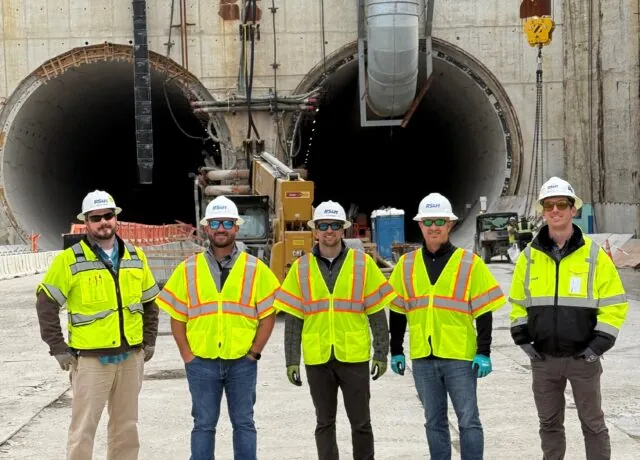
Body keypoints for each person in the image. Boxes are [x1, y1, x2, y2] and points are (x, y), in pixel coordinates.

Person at [509, 176, 629, 460]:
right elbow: (517, 303)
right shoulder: (528, 257)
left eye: (561, 203)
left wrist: (597, 347)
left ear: (573, 209)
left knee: (593, 425)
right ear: (542, 210)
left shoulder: (595, 256)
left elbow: (615, 303)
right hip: (544, 360)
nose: (555, 210)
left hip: (583, 359)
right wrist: (523, 339)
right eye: (548, 205)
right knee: (549, 424)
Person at [36, 190, 160, 460]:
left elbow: (150, 302)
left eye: (108, 216)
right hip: (91, 361)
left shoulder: (136, 257)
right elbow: (46, 303)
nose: (103, 222)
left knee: (126, 427)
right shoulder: (69, 260)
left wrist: (149, 341)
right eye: (96, 218)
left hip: (130, 357)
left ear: (116, 219)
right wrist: (57, 346)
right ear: (86, 223)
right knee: (83, 429)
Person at [156, 195, 280, 460]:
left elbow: (268, 314)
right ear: (206, 228)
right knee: (203, 425)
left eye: (226, 222)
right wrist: (187, 356)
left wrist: (254, 352)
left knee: (244, 424)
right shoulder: (188, 269)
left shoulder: (255, 268)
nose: (221, 228)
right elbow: (177, 317)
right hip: (201, 362)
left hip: (242, 362)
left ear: (236, 227)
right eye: (215, 223)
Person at [273, 200, 396, 460]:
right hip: (318, 359)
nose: (329, 231)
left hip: (354, 357)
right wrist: (291, 360)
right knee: (324, 423)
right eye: (323, 226)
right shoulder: (300, 267)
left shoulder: (362, 264)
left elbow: (376, 312)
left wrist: (381, 353)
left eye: (334, 226)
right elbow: (294, 318)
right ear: (315, 231)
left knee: (361, 424)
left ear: (343, 230)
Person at [388, 192, 506, 460]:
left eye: (439, 221)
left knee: (468, 421)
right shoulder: (405, 265)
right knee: (433, 421)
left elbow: (484, 310)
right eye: (428, 221)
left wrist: (484, 352)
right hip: (423, 357)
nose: (433, 227)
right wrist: (396, 349)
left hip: (460, 358)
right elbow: (397, 311)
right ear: (420, 225)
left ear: (450, 224)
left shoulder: (469, 263)